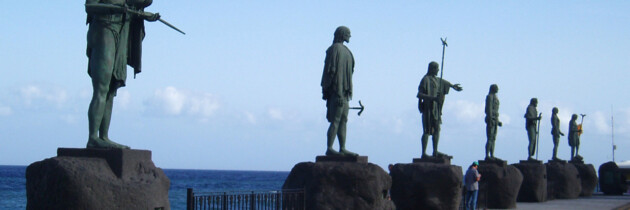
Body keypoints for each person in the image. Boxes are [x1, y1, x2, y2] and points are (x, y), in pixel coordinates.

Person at [85, 0, 160, 149]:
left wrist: (145, 15)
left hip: (120, 32)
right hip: (103, 29)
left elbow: (142, 2)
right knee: (101, 87)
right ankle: (93, 137)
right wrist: (115, 9)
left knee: (111, 89)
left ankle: (104, 137)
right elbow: (90, 7)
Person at [321, 26, 357, 156]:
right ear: (342, 34)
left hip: (345, 93)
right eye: (348, 33)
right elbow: (332, 73)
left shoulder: (347, 51)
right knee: (335, 120)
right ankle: (329, 148)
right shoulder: (334, 49)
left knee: (343, 120)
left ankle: (342, 147)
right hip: (338, 92)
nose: (350, 36)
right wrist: (337, 91)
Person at [417, 61, 462, 158]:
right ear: (432, 69)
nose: (438, 70)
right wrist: (432, 98)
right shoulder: (425, 80)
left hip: (436, 110)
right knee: (427, 131)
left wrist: (453, 86)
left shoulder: (437, 80)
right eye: (436, 68)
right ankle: (424, 153)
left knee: (437, 129)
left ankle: (435, 151)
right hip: (428, 109)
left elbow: (445, 83)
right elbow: (419, 94)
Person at [484, 84, 502, 160]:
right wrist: (490, 118)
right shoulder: (489, 97)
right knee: (490, 138)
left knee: (493, 138)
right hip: (491, 119)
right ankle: (487, 155)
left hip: (495, 119)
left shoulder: (496, 98)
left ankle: (492, 154)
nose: (497, 89)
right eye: (496, 88)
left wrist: (498, 121)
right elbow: (489, 109)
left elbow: (496, 110)